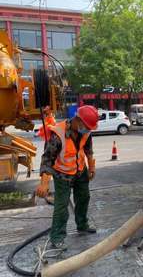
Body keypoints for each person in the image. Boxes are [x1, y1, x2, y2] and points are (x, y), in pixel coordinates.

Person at [36, 105, 99, 250]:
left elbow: (88, 150)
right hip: (62, 174)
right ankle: (57, 236)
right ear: (77, 120)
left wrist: (91, 167)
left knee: (84, 197)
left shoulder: (86, 132)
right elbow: (47, 160)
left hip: (80, 171)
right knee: (61, 206)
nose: (88, 130)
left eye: (90, 128)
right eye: (86, 127)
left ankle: (82, 225)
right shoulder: (58, 134)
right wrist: (44, 184)